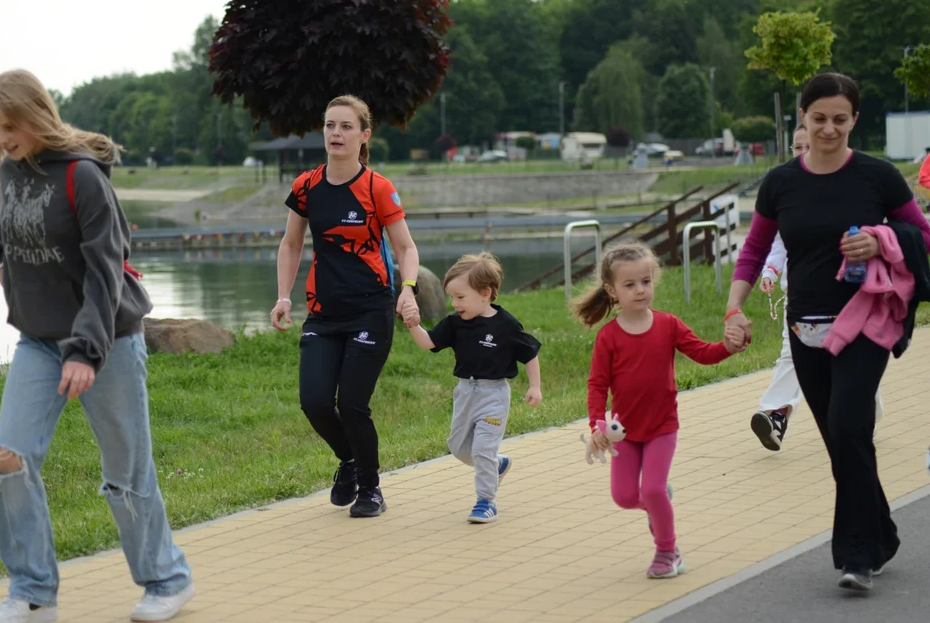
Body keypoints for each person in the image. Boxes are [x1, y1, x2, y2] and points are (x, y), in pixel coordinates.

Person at [0, 70, 194, 623]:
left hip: (110, 339)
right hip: (37, 339)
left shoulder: (83, 178)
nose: (2, 139)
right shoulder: (5, 175)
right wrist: (0, 264)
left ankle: (167, 580)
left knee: (127, 471)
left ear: (36, 116)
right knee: (10, 461)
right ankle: (32, 592)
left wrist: (84, 351)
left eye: (10, 126)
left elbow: (105, 272)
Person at [725, 72, 930, 591]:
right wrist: (735, 308)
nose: (830, 129)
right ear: (803, 118)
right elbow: (753, 249)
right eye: (819, 119)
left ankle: (856, 556)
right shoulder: (780, 183)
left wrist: (882, 241)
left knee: (848, 427)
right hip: (804, 328)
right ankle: (880, 532)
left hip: (865, 321)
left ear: (854, 120)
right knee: (843, 442)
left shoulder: (877, 177)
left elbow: (922, 236)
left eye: (840, 119)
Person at [271, 94, 421, 518]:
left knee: (353, 404)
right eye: (329, 125)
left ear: (364, 135)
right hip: (323, 312)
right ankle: (350, 461)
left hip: (371, 309)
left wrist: (407, 289)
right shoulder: (306, 186)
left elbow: (406, 248)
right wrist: (283, 296)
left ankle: (371, 489)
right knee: (315, 401)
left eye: (345, 126)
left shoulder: (378, 188)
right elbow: (292, 243)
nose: (335, 133)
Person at [573, 242, 745, 579]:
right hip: (624, 431)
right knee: (624, 497)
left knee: (651, 489)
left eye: (646, 282)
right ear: (612, 290)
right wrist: (597, 424)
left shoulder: (668, 325)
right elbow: (597, 385)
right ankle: (658, 502)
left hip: (663, 427)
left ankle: (668, 551)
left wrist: (728, 347)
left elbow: (703, 353)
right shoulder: (608, 337)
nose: (640, 290)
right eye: (630, 284)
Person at [751, 124, 883, 451]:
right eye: (796, 148)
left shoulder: (845, 188)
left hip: (847, 299)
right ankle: (775, 414)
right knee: (791, 355)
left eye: (805, 146)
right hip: (799, 301)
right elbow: (776, 243)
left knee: (853, 364)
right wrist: (769, 271)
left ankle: (867, 412)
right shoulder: (787, 192)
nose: (801, 153)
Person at [404, 252, 542, 523]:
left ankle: (486, 501)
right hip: (465, 393)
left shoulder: (507, 325)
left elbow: (530, 354)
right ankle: (496, 464)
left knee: (482, 449)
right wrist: (413, 325)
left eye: (460, 297)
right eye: (452, 297)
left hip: (494, 394)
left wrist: (535, 386)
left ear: (485, 293)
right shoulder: (455, 324)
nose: (454, 304)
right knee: (458, 448)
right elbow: (429, 342)